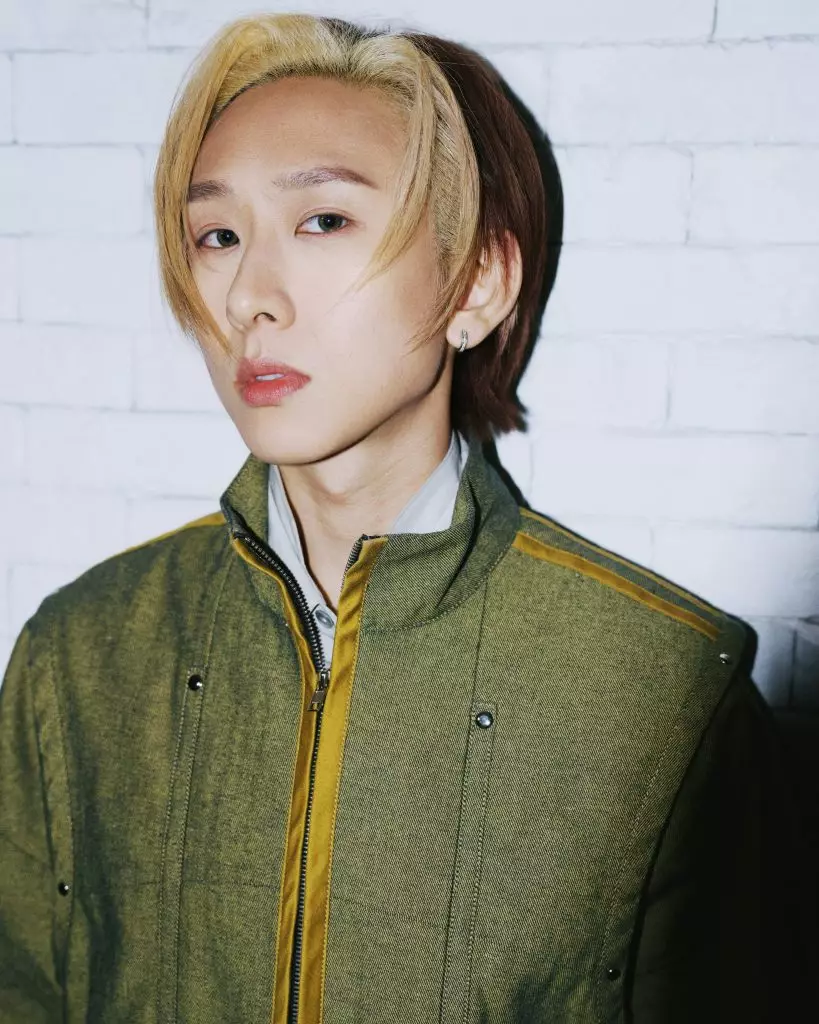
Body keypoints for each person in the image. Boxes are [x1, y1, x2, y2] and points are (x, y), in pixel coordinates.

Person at [0, 12, 814, 1024]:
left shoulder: (661, 688)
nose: (248, 295)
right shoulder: (81, 652)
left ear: (477, 283)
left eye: (322, 221)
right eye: (217, 235)